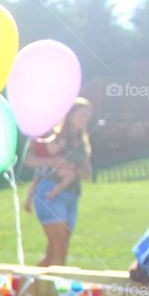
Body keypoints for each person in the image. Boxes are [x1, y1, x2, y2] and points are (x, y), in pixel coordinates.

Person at [24, 97, 93, 266]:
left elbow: (87, 172)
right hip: (50, 193)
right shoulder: (53, 137)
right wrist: (51, 161)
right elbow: (29, 159)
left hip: (72, 194)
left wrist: (74, 170)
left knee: (55, 252)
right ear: (70, 116)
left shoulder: (82, 142)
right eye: (82, 115)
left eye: (88, 115)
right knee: (59, 251)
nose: (86, 119)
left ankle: (26, 289)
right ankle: (51, 292)